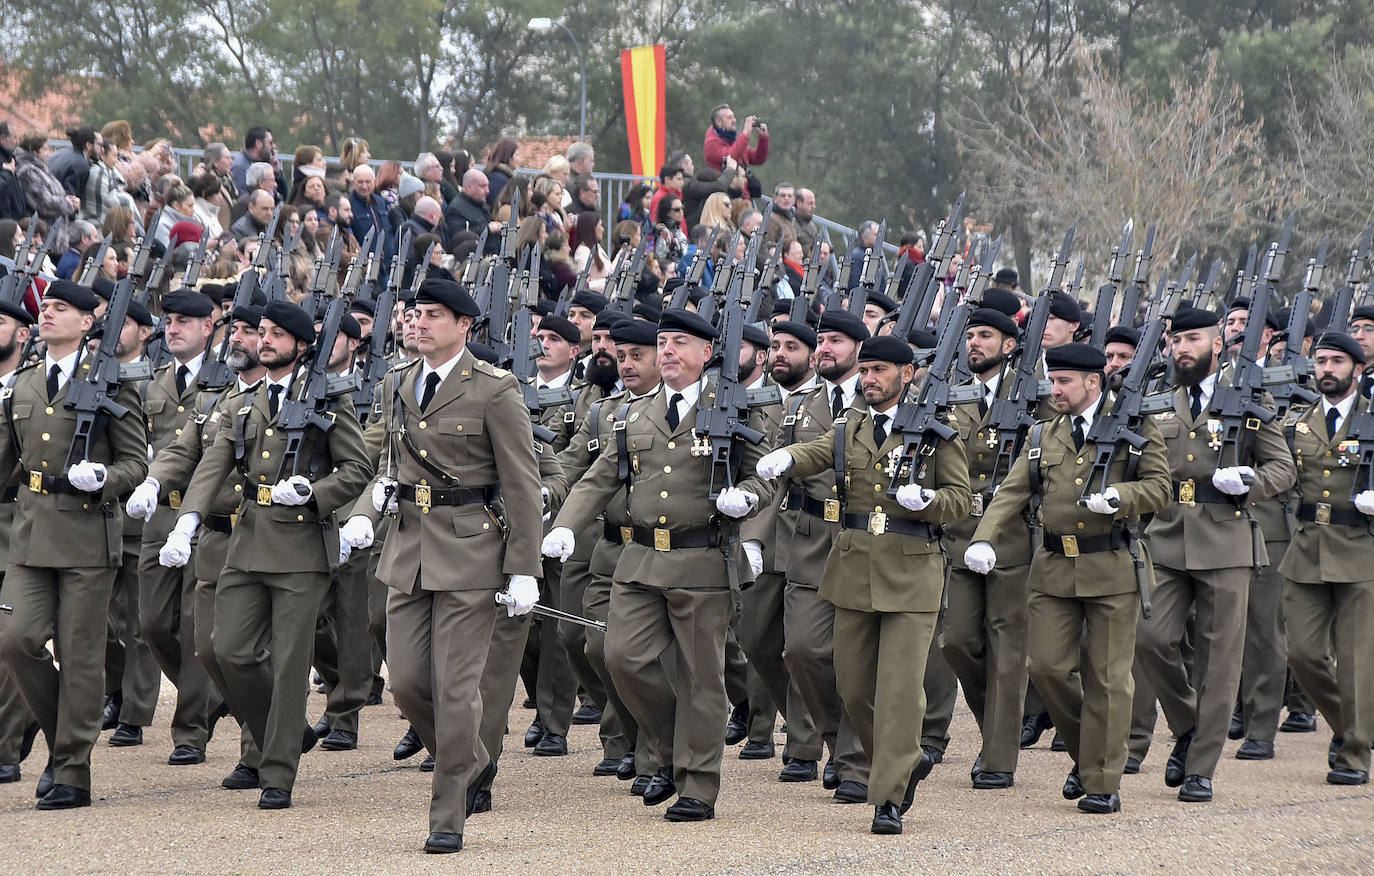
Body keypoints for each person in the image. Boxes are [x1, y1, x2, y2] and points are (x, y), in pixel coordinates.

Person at [543, 308, 773, 823]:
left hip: (702, 562)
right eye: (663, 342)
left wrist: (747, 498)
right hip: (640, 561)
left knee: (701, 679)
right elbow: (600, 478)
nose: (667, 351)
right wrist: (566, 524)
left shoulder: (732, 410)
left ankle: (698, 786)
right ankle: (670, 752)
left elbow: (764, 475)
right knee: (621, 657)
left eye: (679, 343)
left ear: (706, 353)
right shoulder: (635, 414)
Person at [340, 277, 542, 853]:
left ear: (464, 325)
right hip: (408, 551)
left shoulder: (495, 389)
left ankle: (448, 814)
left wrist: (524, 567)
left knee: (455, 691)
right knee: (406, 683)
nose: (418, 323)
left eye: (432, 314)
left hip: (471, 553)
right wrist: (364, 513)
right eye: (414, 314)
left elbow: (522, 484)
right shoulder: (396, 382)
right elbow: (388, 465)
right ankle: (471, 756)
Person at [159, 300, 371, 810]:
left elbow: (358, 469)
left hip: (301, 548)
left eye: (277, 334)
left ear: (301, 346)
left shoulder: (329, 400)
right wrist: (187, 520)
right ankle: (289, 730)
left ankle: (277, 771)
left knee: (290, 664)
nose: (265, 340)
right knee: (224, 650)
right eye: (263, 332)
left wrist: (315, 494)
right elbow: (213, 463)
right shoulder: (243, 401)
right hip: (247, 540)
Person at [757, 334, 969, 834]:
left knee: (898, 690)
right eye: (866, 370)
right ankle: (904, 761)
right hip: (853, 569)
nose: (869, 379)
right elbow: (816, 451)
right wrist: (787, 459)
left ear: (907, 375)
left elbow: (962, 500)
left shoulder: (937, 432)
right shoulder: (850, 424)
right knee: (852, 686)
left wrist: (930, 502)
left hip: (912, 572)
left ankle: (888, 795)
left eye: (880, 371)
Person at [966, 342, 1172, 815]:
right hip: (1054, 568)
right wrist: (984, 537)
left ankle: (1102, 780)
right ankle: (1089, 751)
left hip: (1112, 568)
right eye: (1052, 381)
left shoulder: (1135, 427)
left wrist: (1121, 497)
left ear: (1092, 382)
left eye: (1063, 382)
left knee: (1108, 678)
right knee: (1046, 668)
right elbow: (1012, 491)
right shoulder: (1043, 433)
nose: (1054, 390)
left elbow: (1161, 487)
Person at [1133, 306, 1295, 802]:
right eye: (1176, 341)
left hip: (1226, 542)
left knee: (1219, 663)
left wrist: (1250, 480)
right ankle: (1188, 726)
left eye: (1193, 340)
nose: (1182, 349)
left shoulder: (1248, 398)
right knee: (1147, 638)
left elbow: (1283, 468)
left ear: (1217, 344)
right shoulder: (1161, 401)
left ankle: (1201, 766)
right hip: (1166, 537)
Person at [0, 279, 149, 809]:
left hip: (87, 536)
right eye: (46, 307)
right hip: (30, 534)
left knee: (80, 656)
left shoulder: (111, 384)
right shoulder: (23, 384)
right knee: (15, 639)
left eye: (61, 309)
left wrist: (104, 478)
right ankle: (59, 734)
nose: (47, 315)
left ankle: (71, 771)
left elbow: (136, 464)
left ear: (87, 323)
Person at [1278, 332, 1374, 786]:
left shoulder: (1370, 416)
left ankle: (1354, 755)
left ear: (1358, 368)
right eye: (1321, 361)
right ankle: (1354, 726)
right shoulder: (1298, 421)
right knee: (1302, 654)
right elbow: (1279, 471)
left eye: (1337, 361)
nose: (1327, 369)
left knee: (1355, 662)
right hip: (1307, 549)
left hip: (1361, 551)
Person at [13, 134, 77, 253]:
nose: (49, 153)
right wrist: (69, 203)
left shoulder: (41, 167)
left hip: (56, 234)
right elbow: (43, 202)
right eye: (45, 149)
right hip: (45, 235)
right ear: (34, 151)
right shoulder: (28, 171)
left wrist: (70, 200)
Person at [703, 104, 770, 170]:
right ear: (719, 122)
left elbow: (758, 159)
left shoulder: (730, 137)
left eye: (733, 116)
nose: (734, 120)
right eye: (729, 117)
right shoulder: (711, 144)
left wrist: (763, 137)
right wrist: (746, 132)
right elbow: (730, 157)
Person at [229, 126, 286, 198]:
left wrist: (277, 174)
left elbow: (282, 196)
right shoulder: (240, 167)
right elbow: (242, 198)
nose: (273, 147)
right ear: (258, 143)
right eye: (270, 143)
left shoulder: (265, 164)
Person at [443, 169, 495, 248]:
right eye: (482, 186)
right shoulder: (455, 210)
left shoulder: (481, 204)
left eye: (488, 186)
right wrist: (487, 229)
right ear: (468, 187)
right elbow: (457, 238)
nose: (487, 191)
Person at [482, 139, 517, 209]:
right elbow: (496, 206)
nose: (519, 159)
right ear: (509, 157)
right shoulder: (499, 179)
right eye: (517, 154)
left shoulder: (499, 174)